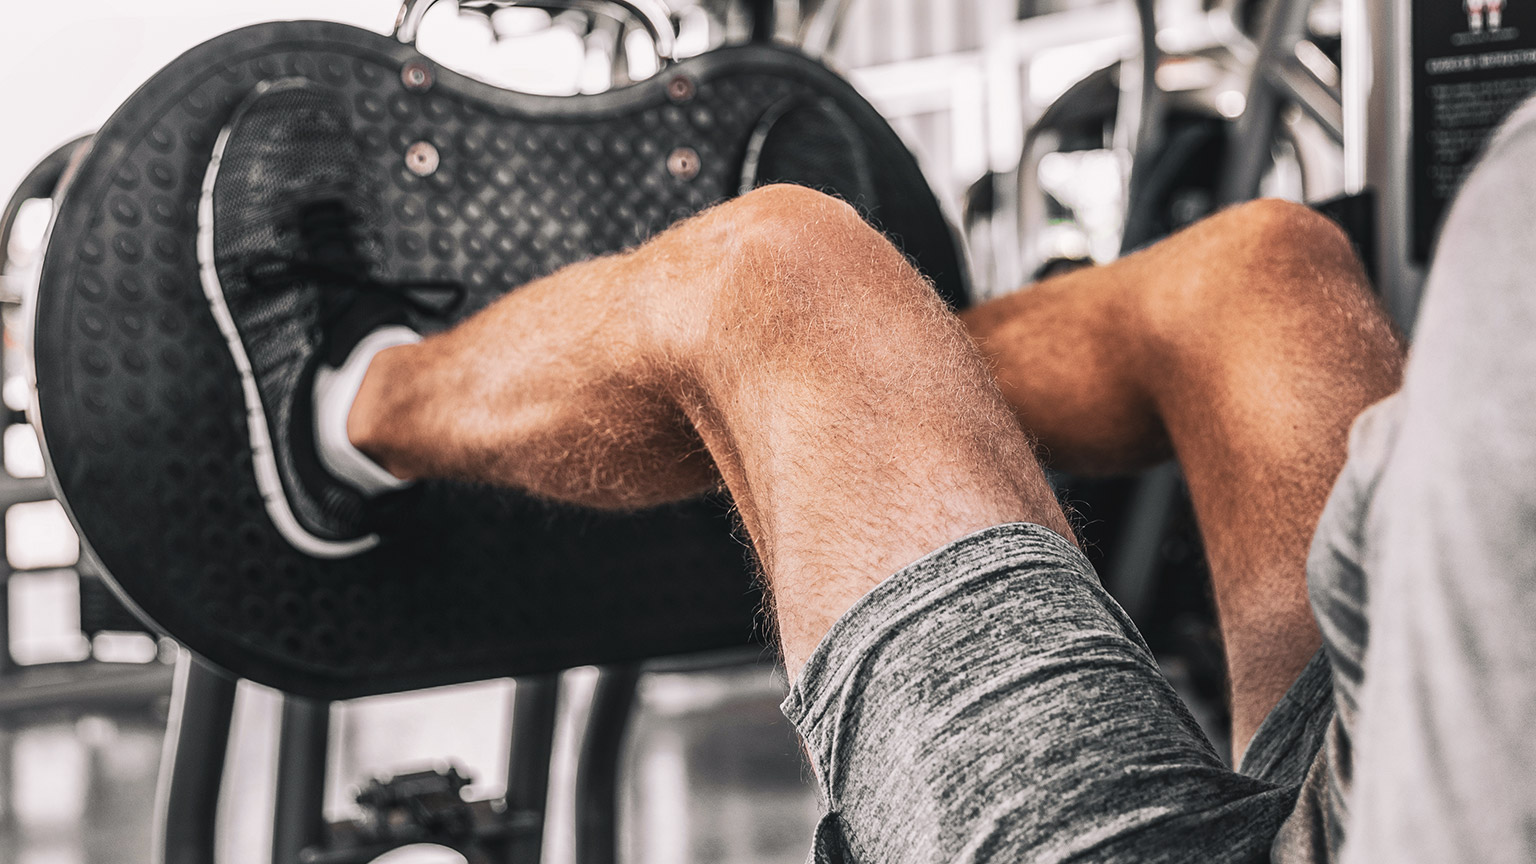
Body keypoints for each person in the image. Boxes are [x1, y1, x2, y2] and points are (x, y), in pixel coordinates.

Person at [199, 77, 1536, 862]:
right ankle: (753, 435)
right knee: (1263, 271)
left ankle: (341, 411)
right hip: (1405, 754)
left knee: (773, 273)